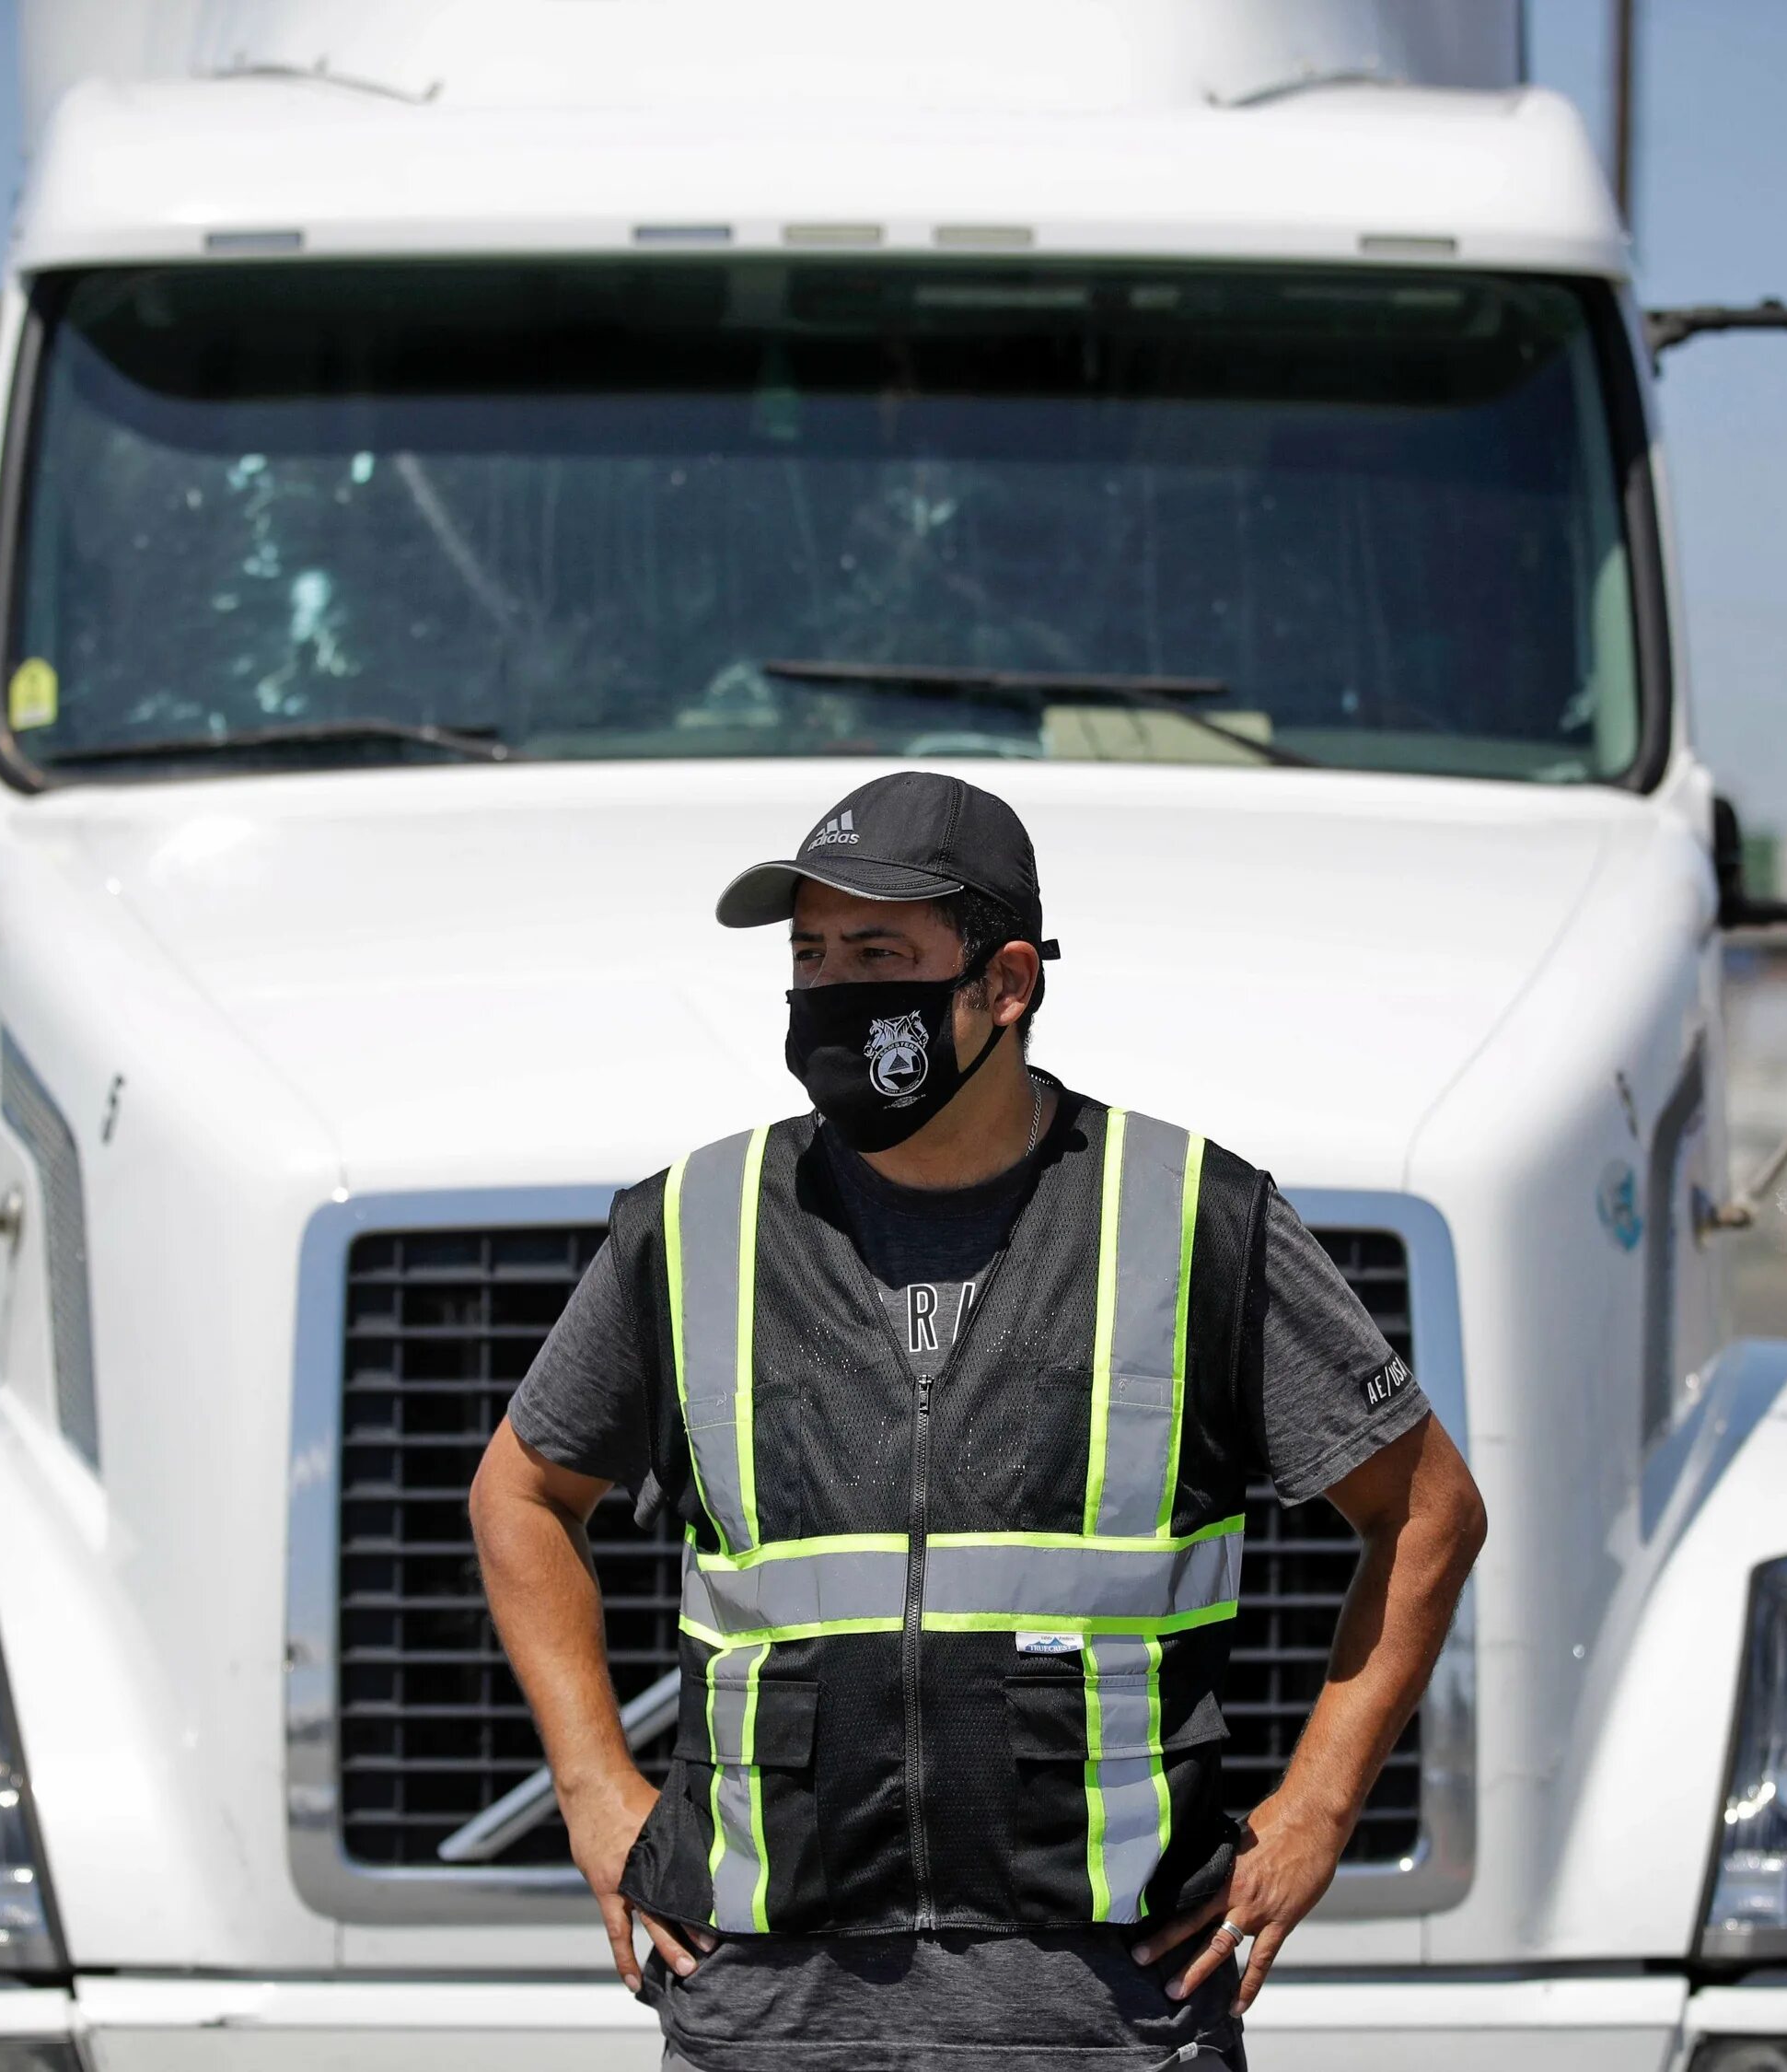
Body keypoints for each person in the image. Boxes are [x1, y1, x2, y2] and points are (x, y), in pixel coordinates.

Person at [472, 771, 1488, 2072]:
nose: (834, 994)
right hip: (766, 2020)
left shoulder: (1188, 1214)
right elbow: (519, 1496)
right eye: (811, 956)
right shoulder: (695, 1221)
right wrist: (595, 1790)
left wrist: (1318, 1806)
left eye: (879, 955)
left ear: (1006, 982)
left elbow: (1428, 1511)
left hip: (1108, 2017)